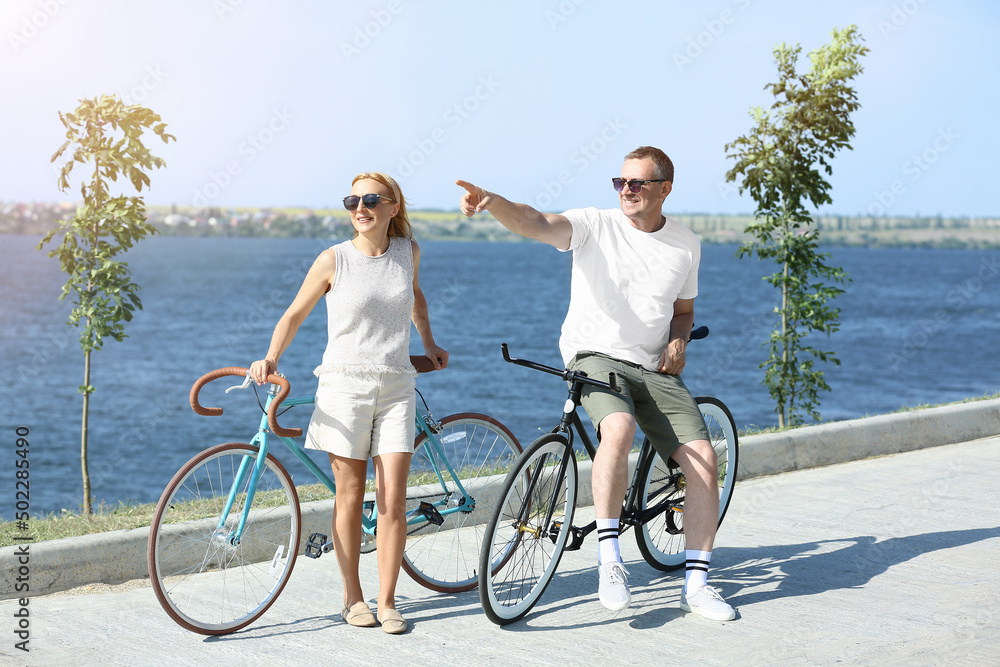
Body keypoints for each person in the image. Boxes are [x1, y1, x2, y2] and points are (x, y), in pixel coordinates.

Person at [456, 146, 735, 621]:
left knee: (705, 460)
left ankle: (697, 585)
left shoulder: (686, 243)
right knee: (620, 428)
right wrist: (494, 202)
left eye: (637, 183)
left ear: (664, 189)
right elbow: (536, 222)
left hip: (653, 367)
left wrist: (679, 341)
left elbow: (684, 313)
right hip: (595, 358)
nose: (626, 190)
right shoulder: (594, 224)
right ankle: (610, 559)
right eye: (620, 182)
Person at [249, 172, 448, 635]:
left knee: (393, 499)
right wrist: (270, 357)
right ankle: (353, 599)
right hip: (344, 388)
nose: (361, 207)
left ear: (393, 206)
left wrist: (430, 342)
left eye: (372, 199)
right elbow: (294, 313)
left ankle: (388, 601)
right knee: (350, 496)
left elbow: (415, 298)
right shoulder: (332, 260)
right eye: (352, 200)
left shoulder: (407, 253)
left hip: (397, 384)